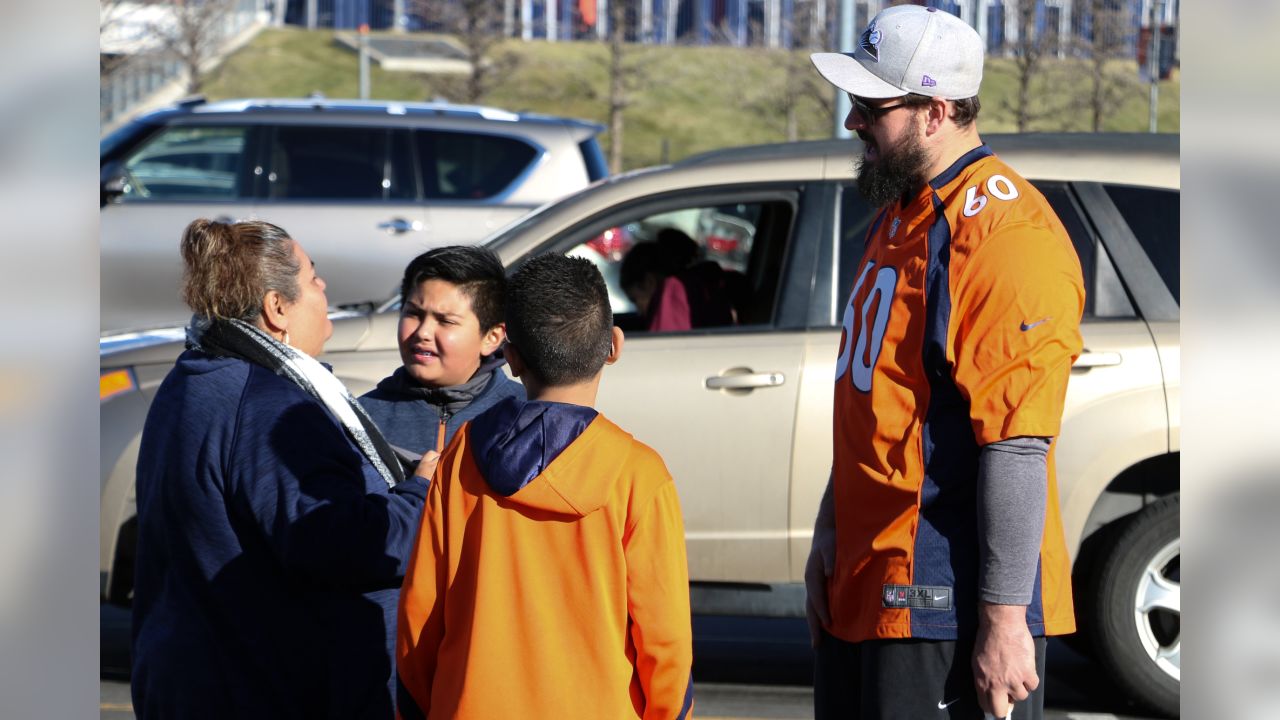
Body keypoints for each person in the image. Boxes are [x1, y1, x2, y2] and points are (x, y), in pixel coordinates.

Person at [804, 6, 1085, 720]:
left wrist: (1003, 619)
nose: (853, 123)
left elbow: (1017, 445)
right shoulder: (906, 210)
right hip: (870, 584)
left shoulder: (1005, 235)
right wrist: (830, 536)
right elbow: (880, 404)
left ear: (936, 111)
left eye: (872, 106)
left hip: (939, 603)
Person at [130, 219, 436, 719]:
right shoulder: (266, 407)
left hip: (195, 679)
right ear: (277, 308)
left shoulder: (194, 376)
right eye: (314, 278)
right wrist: (418, 493)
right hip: (257, 691)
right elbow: (340, 546)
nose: (324, 289)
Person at [395, 254, 695, 720]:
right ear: (613, 346)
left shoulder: (461, 456)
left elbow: (420, 615)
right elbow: (666, 643)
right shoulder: (638, 475)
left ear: (511, 358)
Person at [358, 245, 524, 466]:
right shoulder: (362, 419)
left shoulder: (525, 416)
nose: (423, 333)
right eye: (413, 314)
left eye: (446, 321)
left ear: (492, 338)